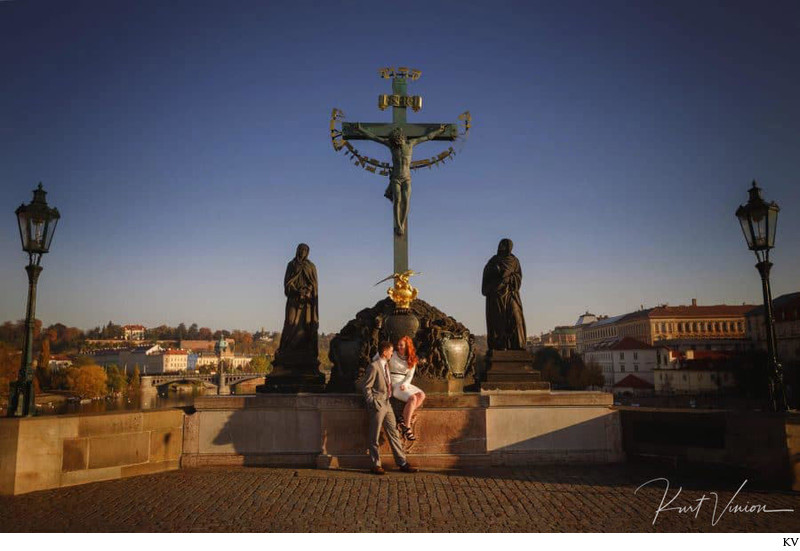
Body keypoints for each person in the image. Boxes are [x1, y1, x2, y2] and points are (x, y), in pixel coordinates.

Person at [355, 123, 447, 235]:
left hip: (407, 177)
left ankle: (402, 224)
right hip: (396, 178)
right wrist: (360, 129)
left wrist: (438, 131)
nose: (397, 142)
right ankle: (398, 225)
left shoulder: (411, 144)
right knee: (397, 200)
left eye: (399, 139)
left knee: (406, 200)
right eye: (395, 140)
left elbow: (427, 137)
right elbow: (374, 138)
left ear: (403, 138)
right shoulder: (391, 145)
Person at [359, 340, 418, 475]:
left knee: (394, 433)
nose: (393, 353)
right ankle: (376, 464)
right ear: (385, 352)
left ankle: (402, 462)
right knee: (374, 435)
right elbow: (366, 387)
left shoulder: (386, 365)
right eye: (391, 351)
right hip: (378, 404)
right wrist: (373, 403)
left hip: (388, 404)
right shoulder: (374, 366)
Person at [481, 238, 527, 350]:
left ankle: (518, 345)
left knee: (516, 318)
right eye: (501, 245)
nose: (503, 247)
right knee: (498, 321)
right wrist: (495, 273)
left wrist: (509, 279)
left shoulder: (514, 261)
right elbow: (486, 278)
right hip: (496, 296)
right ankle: (499, 346)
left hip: (511, 294)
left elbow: (518, 277)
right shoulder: (493, 261)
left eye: (505, 245)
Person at [388, 336, 426, 441]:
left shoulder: (412, 358)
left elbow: (410, 376)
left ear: (407, 346)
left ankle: (402, 418)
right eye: (398, 345)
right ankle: (407, 428)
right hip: (394, 383)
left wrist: (405, 384)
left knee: (421, 395)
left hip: (404, 383)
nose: (398, 347)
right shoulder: (393, 354)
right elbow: (379, 359)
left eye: (401, 345)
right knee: (413, 398)